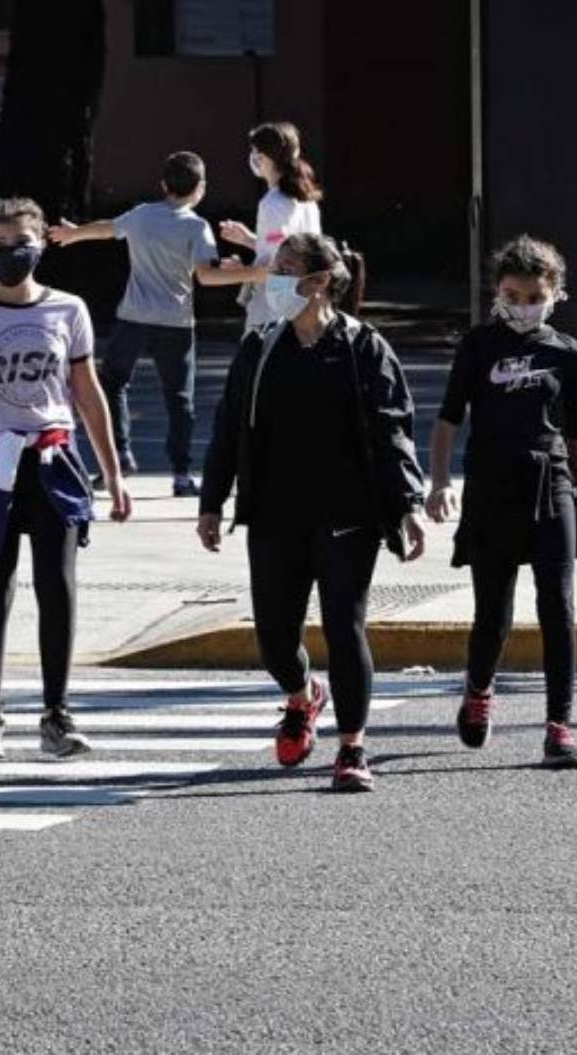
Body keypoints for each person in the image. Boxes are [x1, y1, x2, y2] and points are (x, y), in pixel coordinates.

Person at [199, 233, 427, 793]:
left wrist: (409, 505)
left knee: (345, 627)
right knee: (275, 638)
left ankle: (352, 748)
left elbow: (392, 429)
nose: (272, 278)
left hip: (349, 512)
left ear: (321, 281)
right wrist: (211, 501)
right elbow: (229, 426)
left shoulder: (362, 346)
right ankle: (303, 697)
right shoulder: (261, 347)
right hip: (275, 510)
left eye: (286, 269)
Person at [0, 198, 134, 762]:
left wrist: (112, 474)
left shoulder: (69, 310)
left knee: (57, 586)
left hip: (53, 459)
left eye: (22, 242)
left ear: (41, 244)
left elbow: (87, 394)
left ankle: (58, 715)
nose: (12, 253)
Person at [427, 235, 577, 767]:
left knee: (558, 608)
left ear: (555, 293)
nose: (521, 305)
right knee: (494, 611)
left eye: (533, 295)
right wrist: (439, 480)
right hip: (491, 487)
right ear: (498, 292)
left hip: (550, 483)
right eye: (512, 295)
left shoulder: (564, 352)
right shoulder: (479, 345)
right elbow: (449, 417)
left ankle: (560, 723)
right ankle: (478, 690)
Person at [49, 151, 252, 497]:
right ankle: (182, 474)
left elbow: (106, 229)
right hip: (176, 322)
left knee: (113, 383)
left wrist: (74, 234)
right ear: (200, 188)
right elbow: (206, 275)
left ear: (163, 185)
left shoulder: (142, 215)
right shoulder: (196, 226)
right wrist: (253, 273)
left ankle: (122, 454)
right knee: (179, 399)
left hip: (133, 319)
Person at [218, 122, 324, 333]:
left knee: (261, 363)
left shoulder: (272, 202)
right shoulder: (306, 199)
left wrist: (240, 272)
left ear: (262, 157)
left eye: (254, 151)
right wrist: (249, 240)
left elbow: (275, 270)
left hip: (274, 307)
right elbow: (289, 248)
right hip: (304, 301)